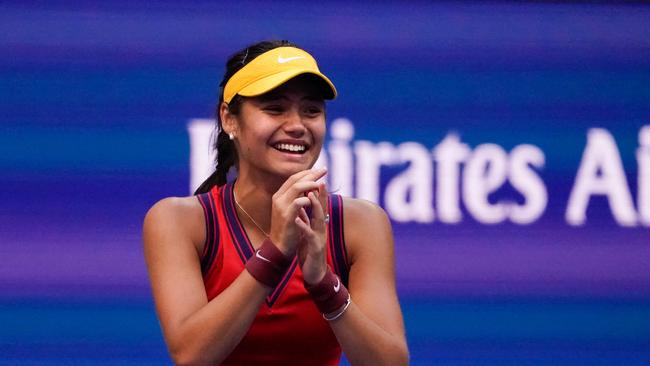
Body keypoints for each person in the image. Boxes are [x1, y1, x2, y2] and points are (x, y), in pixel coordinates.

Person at [143, 40, 408, 365]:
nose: (297, 125)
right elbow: (191, 356)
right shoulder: (178, 221)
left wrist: (323, 283)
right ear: (229, 119)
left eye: (312, 110)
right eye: (274, 108)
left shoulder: (360, 223)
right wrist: (275, 252)